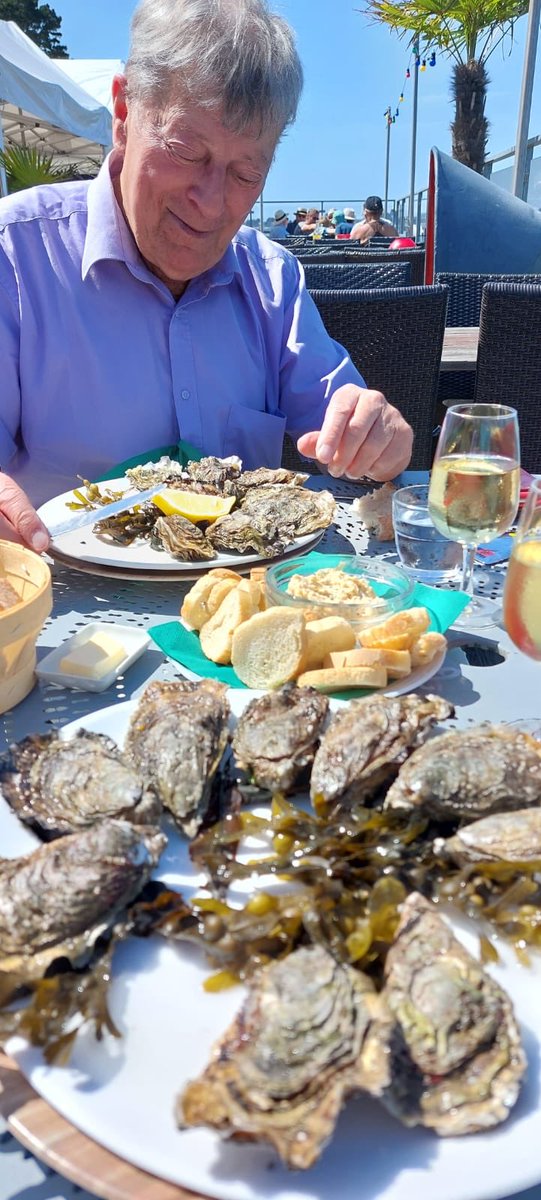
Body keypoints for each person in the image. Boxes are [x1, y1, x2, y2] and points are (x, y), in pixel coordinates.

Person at [0, 0, 412, 552]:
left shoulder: (271, 279)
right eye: (186, 152)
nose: (211, 203)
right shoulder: (17, 255)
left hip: (241, 618)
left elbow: (350, 421)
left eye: (246, 173)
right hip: (68, 615)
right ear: (123, 112)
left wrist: (376, 434)